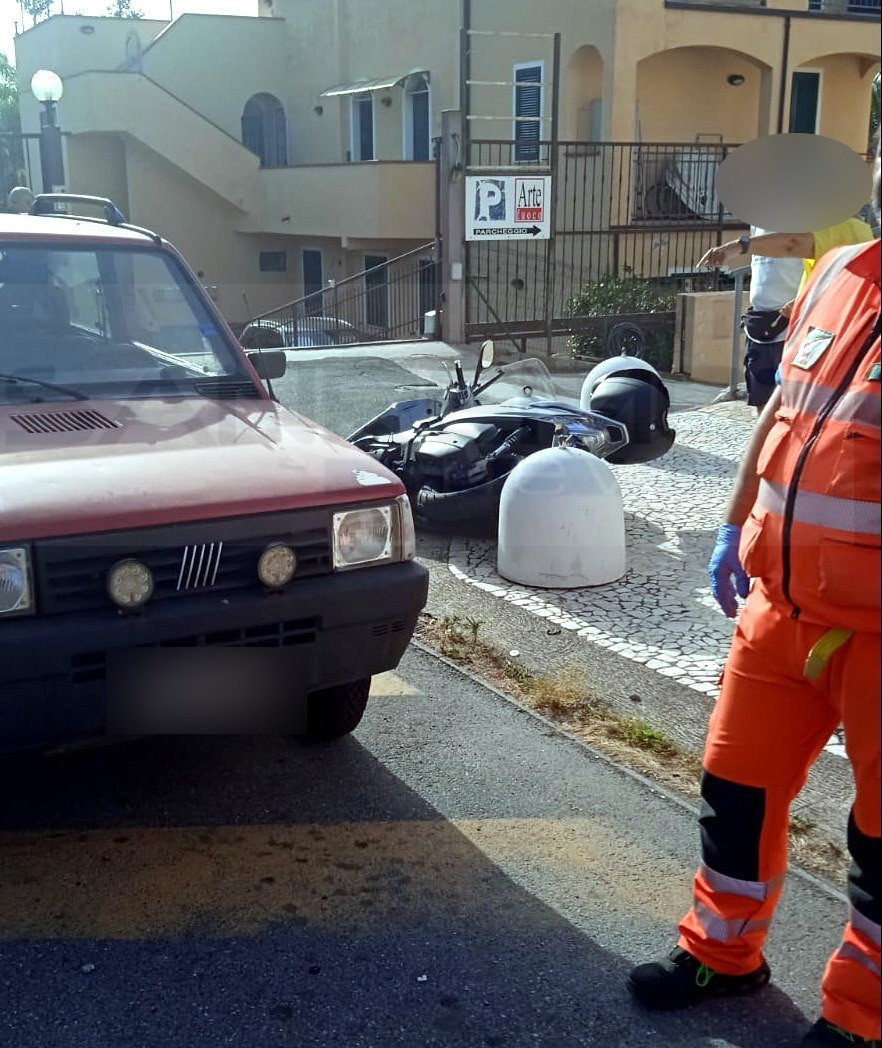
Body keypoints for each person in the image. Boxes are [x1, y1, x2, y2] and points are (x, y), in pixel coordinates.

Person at [629, 137, 881, 1047]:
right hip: (778, 609)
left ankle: (864, 1017)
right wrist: (733, 523)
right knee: (735, 793)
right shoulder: (842, 269)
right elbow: (784, 410)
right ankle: (722, 955)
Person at [697, 217, 874, 414]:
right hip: (762, 322)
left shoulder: (837, 224)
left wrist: (738, 246)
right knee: (763, 398)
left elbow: (792, 245)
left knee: (793, 403)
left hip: (801, 327)